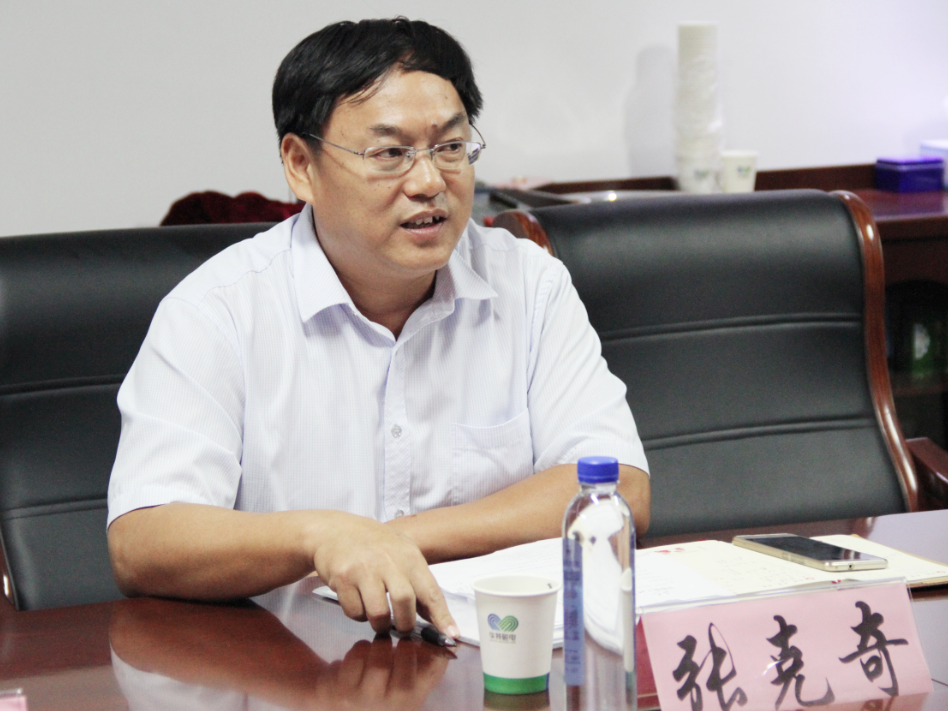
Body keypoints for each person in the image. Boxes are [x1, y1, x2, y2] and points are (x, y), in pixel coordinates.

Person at [106, 17, 649, 642]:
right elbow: (143, 541)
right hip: (290, 670)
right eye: (390, 154)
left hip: (488, 658)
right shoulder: (218, 309)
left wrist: (391, 541)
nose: (429, 182)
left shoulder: (529, 284)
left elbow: (619, 491)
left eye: (449, 147)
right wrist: (320, 537)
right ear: (301, 166)